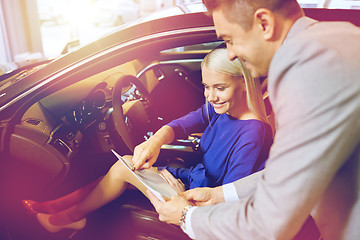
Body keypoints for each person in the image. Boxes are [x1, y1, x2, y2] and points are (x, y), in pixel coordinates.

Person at [144, 1, 360, 239]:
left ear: (264, 23)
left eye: (230, 39)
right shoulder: (342, 37)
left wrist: (186, 216)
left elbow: (270, 223)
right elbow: (287, 173)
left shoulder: (304, 71)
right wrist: (219, 195)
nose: (232, 53)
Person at [23, 47, 273, 233]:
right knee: (120, 172)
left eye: (219, 88)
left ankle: (62, 219)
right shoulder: (221, 109)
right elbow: (181, 125)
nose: (210, 96)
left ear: (243, 84)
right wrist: (155, 141)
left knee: (124, 168)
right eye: (206, 87)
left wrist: (179, 192)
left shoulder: (253, 133)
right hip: (191, 177)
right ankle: (56, 208)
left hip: (196, 197)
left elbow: (227, 198)